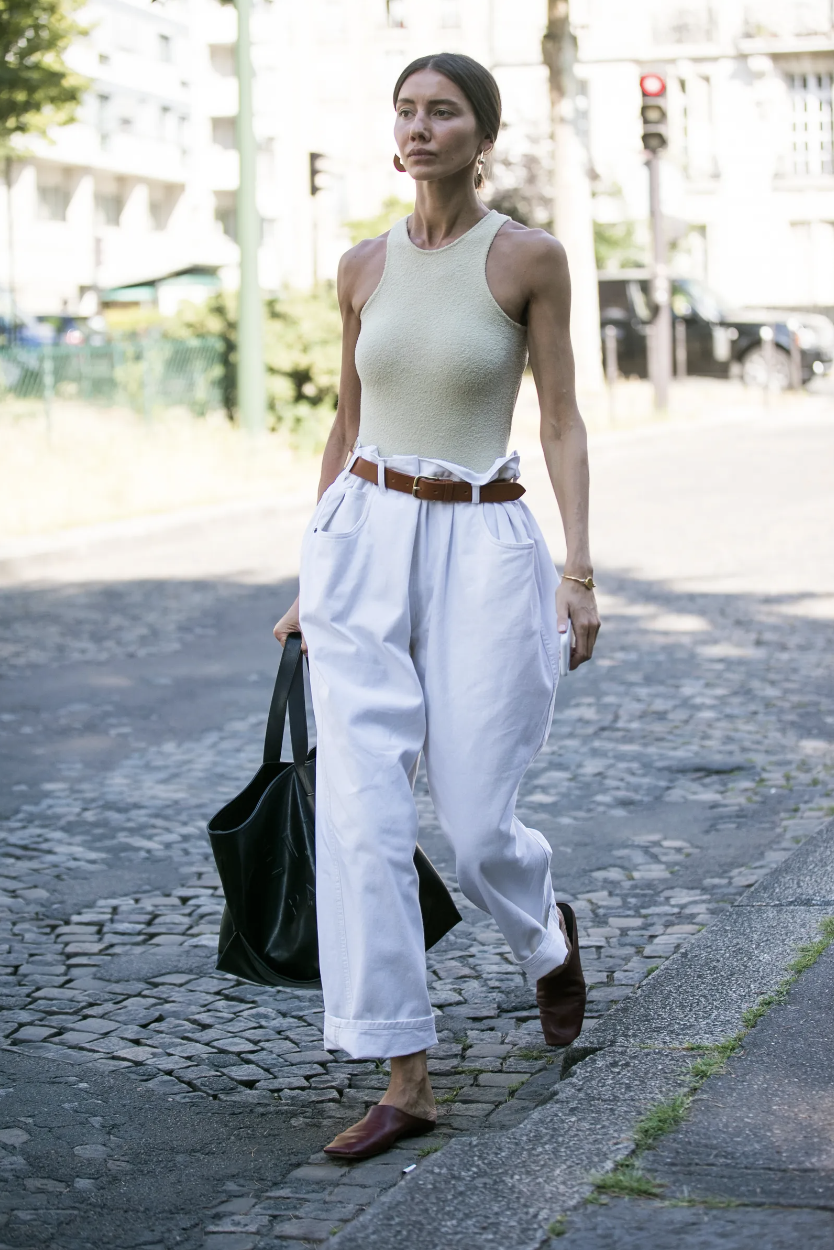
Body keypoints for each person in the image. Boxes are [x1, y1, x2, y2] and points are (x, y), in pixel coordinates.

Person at [273, 51, 600, 1160]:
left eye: (443, 112)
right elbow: (345, 424)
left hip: (482, 541)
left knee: (473, 817)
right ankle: (404, 1074)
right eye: (406, 111)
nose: (419, 128)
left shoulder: (527, 258)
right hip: (363, 535)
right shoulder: (361, 266)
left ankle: (546, 935)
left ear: (483, 136)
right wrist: (312, 577)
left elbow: (560, 417)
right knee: (362, 811)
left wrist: (578, 568)